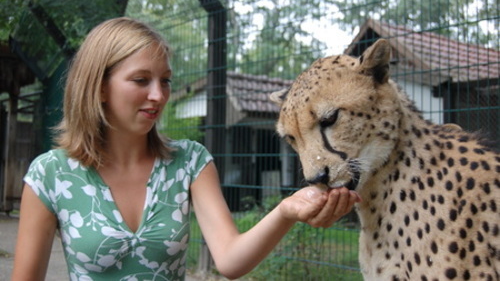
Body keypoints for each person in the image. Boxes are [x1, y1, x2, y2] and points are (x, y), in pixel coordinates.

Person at [11, 17, 361, 281]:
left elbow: (229, 259)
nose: (158, 95)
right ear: (99, 86)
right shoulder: (50, 175)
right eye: (141, 80)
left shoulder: (190, 162)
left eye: (165, 80)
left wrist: (285, 212)